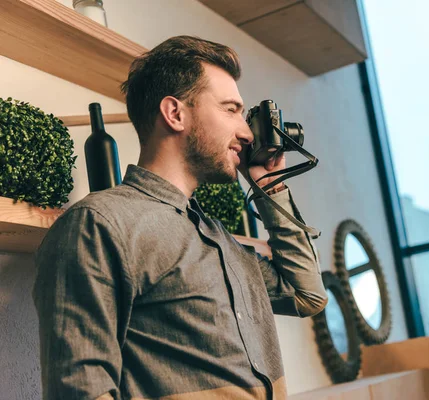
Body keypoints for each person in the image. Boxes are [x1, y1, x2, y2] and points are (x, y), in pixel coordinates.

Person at [32, 35, 327, 400]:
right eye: (230, 109)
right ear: (175, 114)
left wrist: (270, 187)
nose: (247, 132)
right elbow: (79, 392)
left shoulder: (218, 239)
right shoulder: (99, 225)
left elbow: (307, 295)